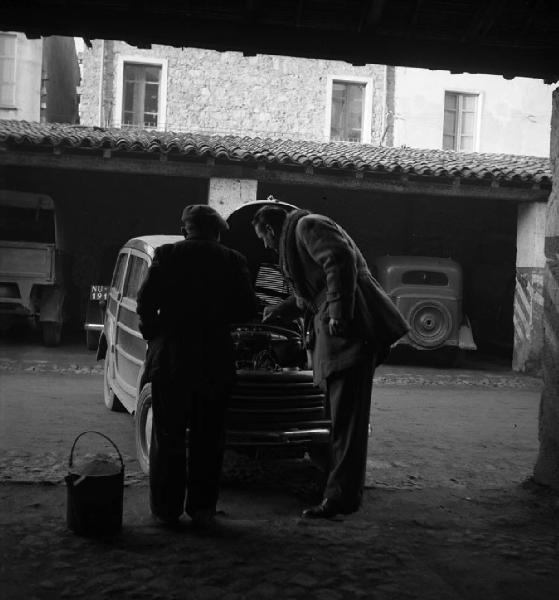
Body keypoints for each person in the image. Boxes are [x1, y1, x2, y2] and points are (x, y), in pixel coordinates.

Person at [252, 204, 409, 519]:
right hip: (338, 335)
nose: (266, 247)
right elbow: (307, 296)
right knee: (337, 417)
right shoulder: (297, 241)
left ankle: (340, 498)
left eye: (263, 239)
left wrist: (339, 312)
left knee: (346, 421)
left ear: (270, 230)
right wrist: (278, 311)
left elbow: (339, 260)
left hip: (349, 331)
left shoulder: (308, 226)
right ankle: (335, 488)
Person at [137, 204, 258, 528]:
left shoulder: (167, 255)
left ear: (185, 230)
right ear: (217, 232)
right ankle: (202, 509)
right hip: (214, 360)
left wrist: (155, 336)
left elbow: (145, 302)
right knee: (209, 438)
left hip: (172, 358)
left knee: (168, 436)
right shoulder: (234, 260)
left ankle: (166, 510)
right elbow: (248, 308)